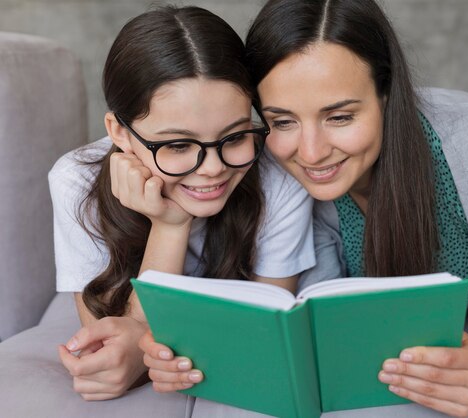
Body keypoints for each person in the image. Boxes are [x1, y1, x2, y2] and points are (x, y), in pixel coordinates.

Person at [141, 0, 468, 416]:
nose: (310, 152)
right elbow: (305, 326)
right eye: (283, 120)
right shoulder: (274, 166)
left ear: (388, 96)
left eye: (340, 116)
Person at [49, 5, 314, 401]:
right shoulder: (76, 181)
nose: (211, 169)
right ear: (119, 131)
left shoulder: (279, 177)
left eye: (236, 136)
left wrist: (143, 339)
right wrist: (170, 227)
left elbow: (268, 329)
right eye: (177, 145)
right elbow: (108, 344)